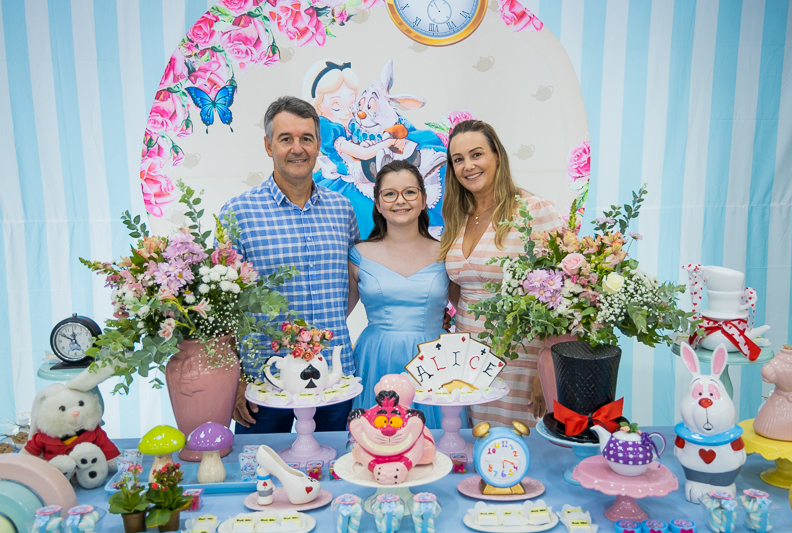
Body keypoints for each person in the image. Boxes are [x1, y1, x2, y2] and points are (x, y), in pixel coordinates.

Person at [221, 96, 359, 434]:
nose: (297, 148)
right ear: (269, 145)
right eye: (286, 139)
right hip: (264, 381)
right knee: (261, 466)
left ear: (318, 145)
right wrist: (235, 379)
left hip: (334, 376)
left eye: (306, 138)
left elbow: (353, 283)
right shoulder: (238, 213)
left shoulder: (342, 209)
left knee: (336, 464)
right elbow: (222, 306)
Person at [440, 120, 564, 428]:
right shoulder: (458, 217)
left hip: (522, 357)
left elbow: (566, 296)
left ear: (497, 156)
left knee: (517, 445)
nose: (468, 166)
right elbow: (460, 289)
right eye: (458, 159)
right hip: (469, 358)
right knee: (475, 441)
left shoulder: (535, 210)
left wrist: (547, 369)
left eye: (477, 154)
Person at [347, 160, 460, 429]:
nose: (400, 201)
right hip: (375, 357)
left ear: (424, 199)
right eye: (390, 194)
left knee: (435, 439)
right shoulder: (359, 254)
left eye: (410, 192)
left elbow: (468, 308)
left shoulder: (448, 252)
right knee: (376, 437)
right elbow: (339, 313)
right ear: (378, 203)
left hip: (433, 359)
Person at [302, 59, 400, 239]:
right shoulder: (328, 130)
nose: (347, 111)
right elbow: (362, 153)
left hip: (363, 177)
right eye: (336, 106)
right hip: (343, 183)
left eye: (352, 102)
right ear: (319, 106)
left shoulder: (353, 123)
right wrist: (388, 143)